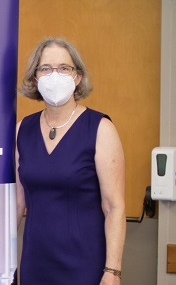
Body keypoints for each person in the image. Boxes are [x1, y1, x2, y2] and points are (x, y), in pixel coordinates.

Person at [15, 37, 126, 285]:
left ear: (77, 77)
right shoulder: (23, 129)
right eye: (46, 68)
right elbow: (17, 203)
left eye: (64, 68)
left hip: (85, 264)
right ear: (35, 78)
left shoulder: (100, 128)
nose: (55, 75)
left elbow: (114, 207)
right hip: (36, 262)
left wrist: (113, 271)